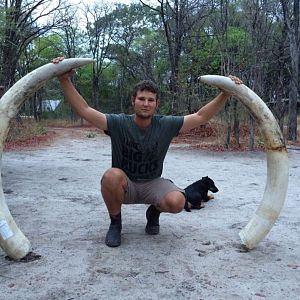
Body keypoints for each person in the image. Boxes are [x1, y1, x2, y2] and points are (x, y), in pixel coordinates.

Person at [52, 57, 242, 247]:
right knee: (111, 176)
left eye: (151, 100)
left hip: (153, 183)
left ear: (156, 104)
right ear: (133, 101)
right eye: (141, 99)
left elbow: (200, 116)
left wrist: (225, 93)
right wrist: (64, 79)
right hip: (126, 184)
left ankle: (154, 212)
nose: (146, 103)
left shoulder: (166, 124)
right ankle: (115, 224)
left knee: (177, 202)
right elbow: (85, 110)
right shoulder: (118, 123)